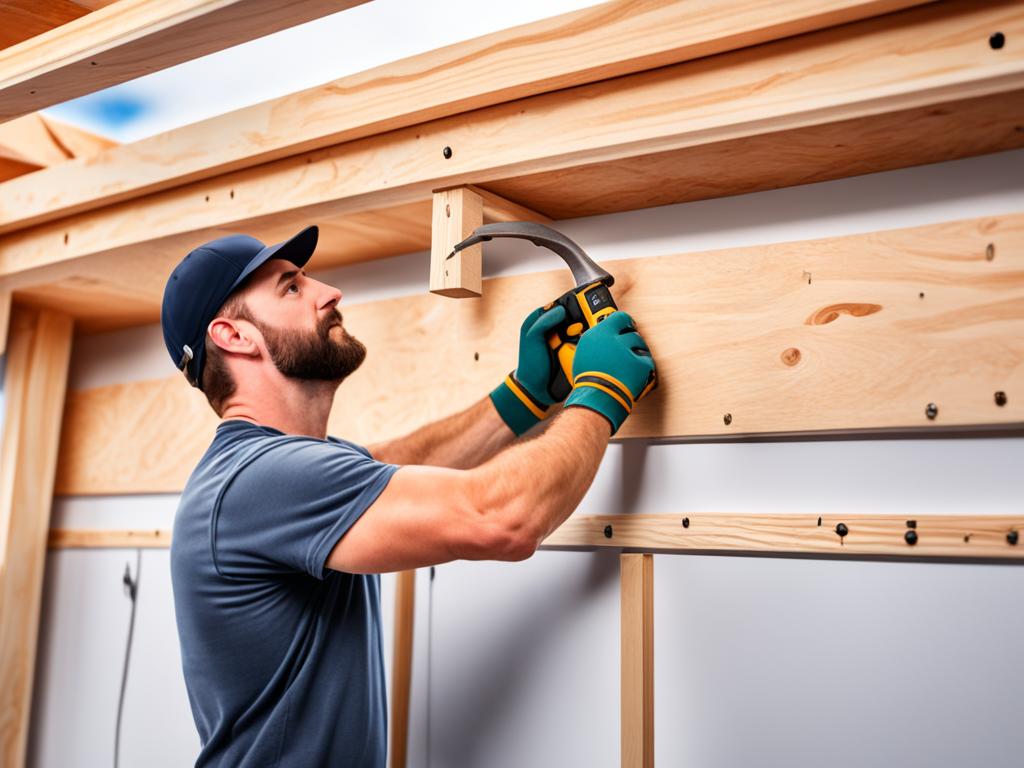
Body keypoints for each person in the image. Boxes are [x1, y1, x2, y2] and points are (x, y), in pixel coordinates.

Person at [161, 225, 656, 767]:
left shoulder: (262, 472)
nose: (329, 293)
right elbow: (502, 519)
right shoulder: (263, 479)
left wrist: (521, 396)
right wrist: (601, 392)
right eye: (291, 288)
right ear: (234, 336)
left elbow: (393, 465)